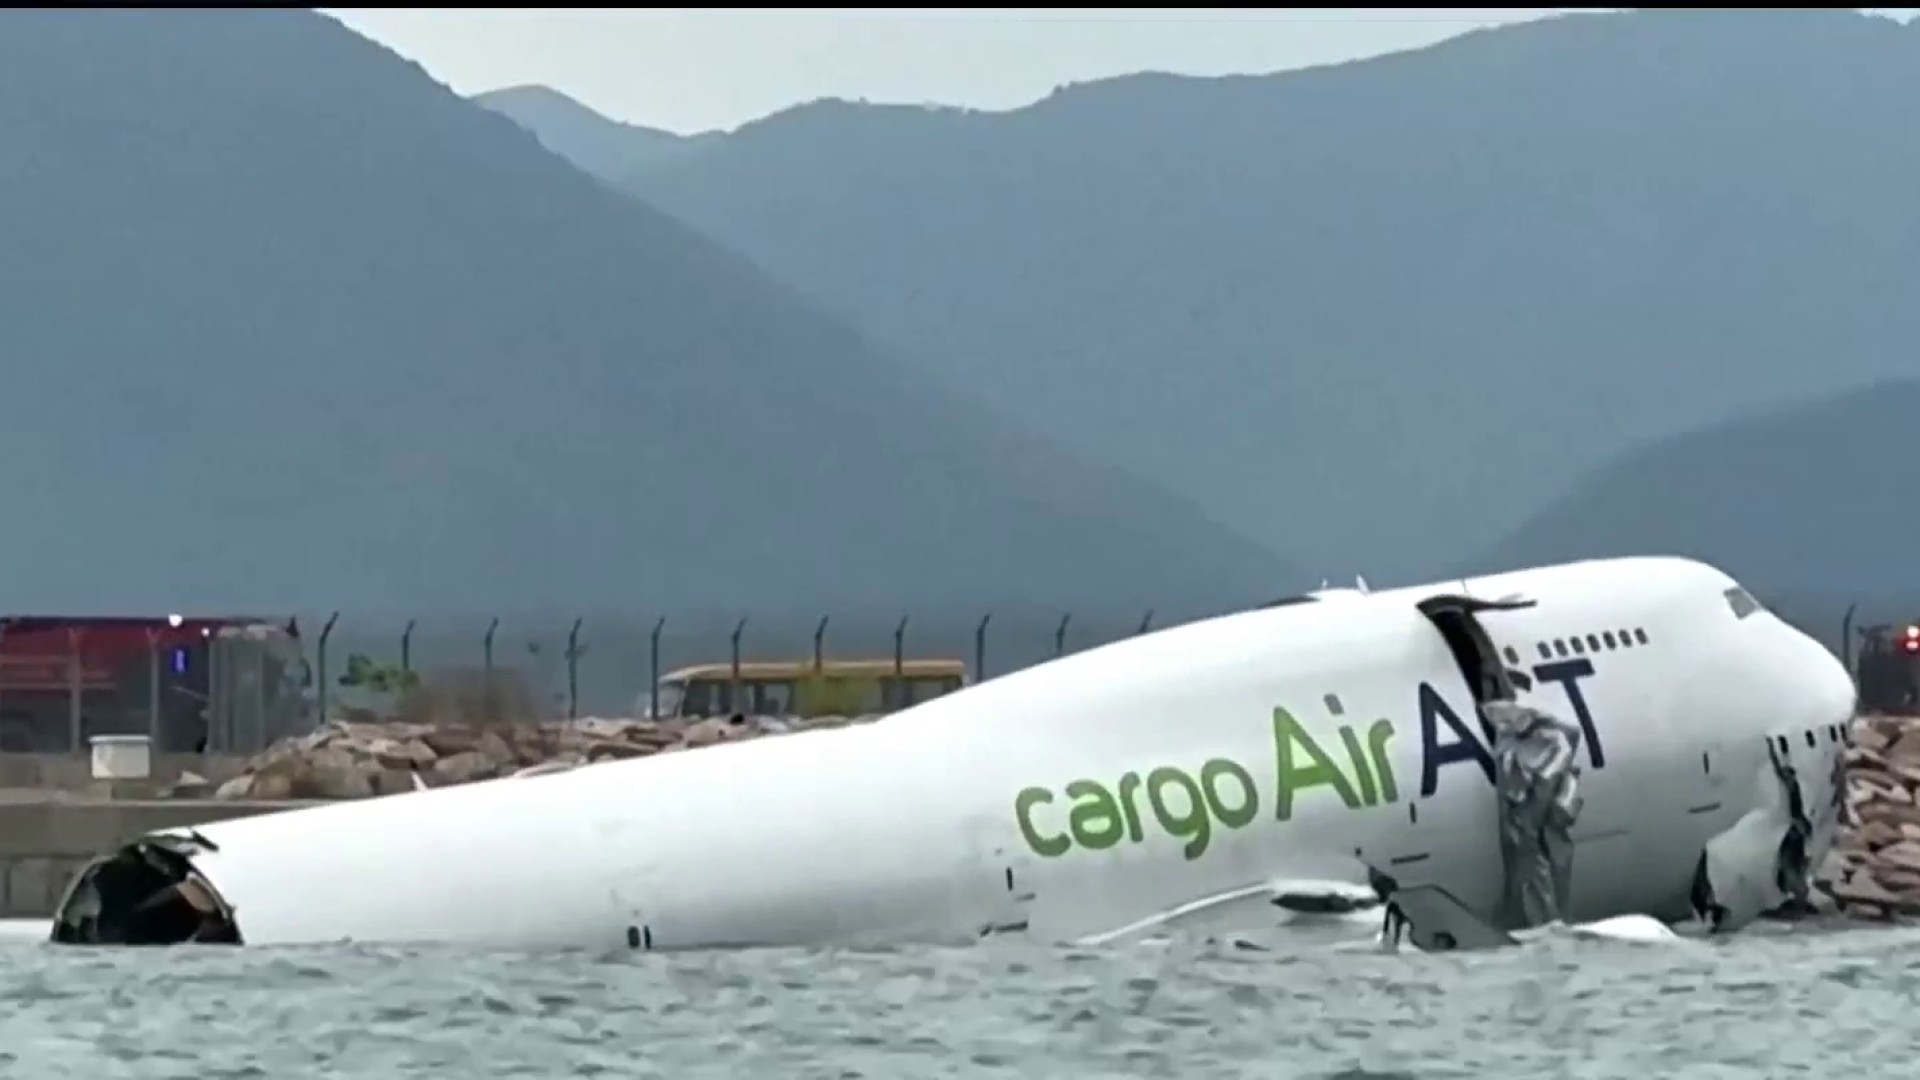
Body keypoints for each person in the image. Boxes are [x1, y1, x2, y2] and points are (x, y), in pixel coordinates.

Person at [1483, 684, 1584, 930]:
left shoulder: (1545, 735)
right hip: (1538, 784)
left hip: (1540, 787)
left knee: (1535, 847)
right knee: (1539, 848)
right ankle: (1546, 915)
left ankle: (1545, 918)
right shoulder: (1534, 736)